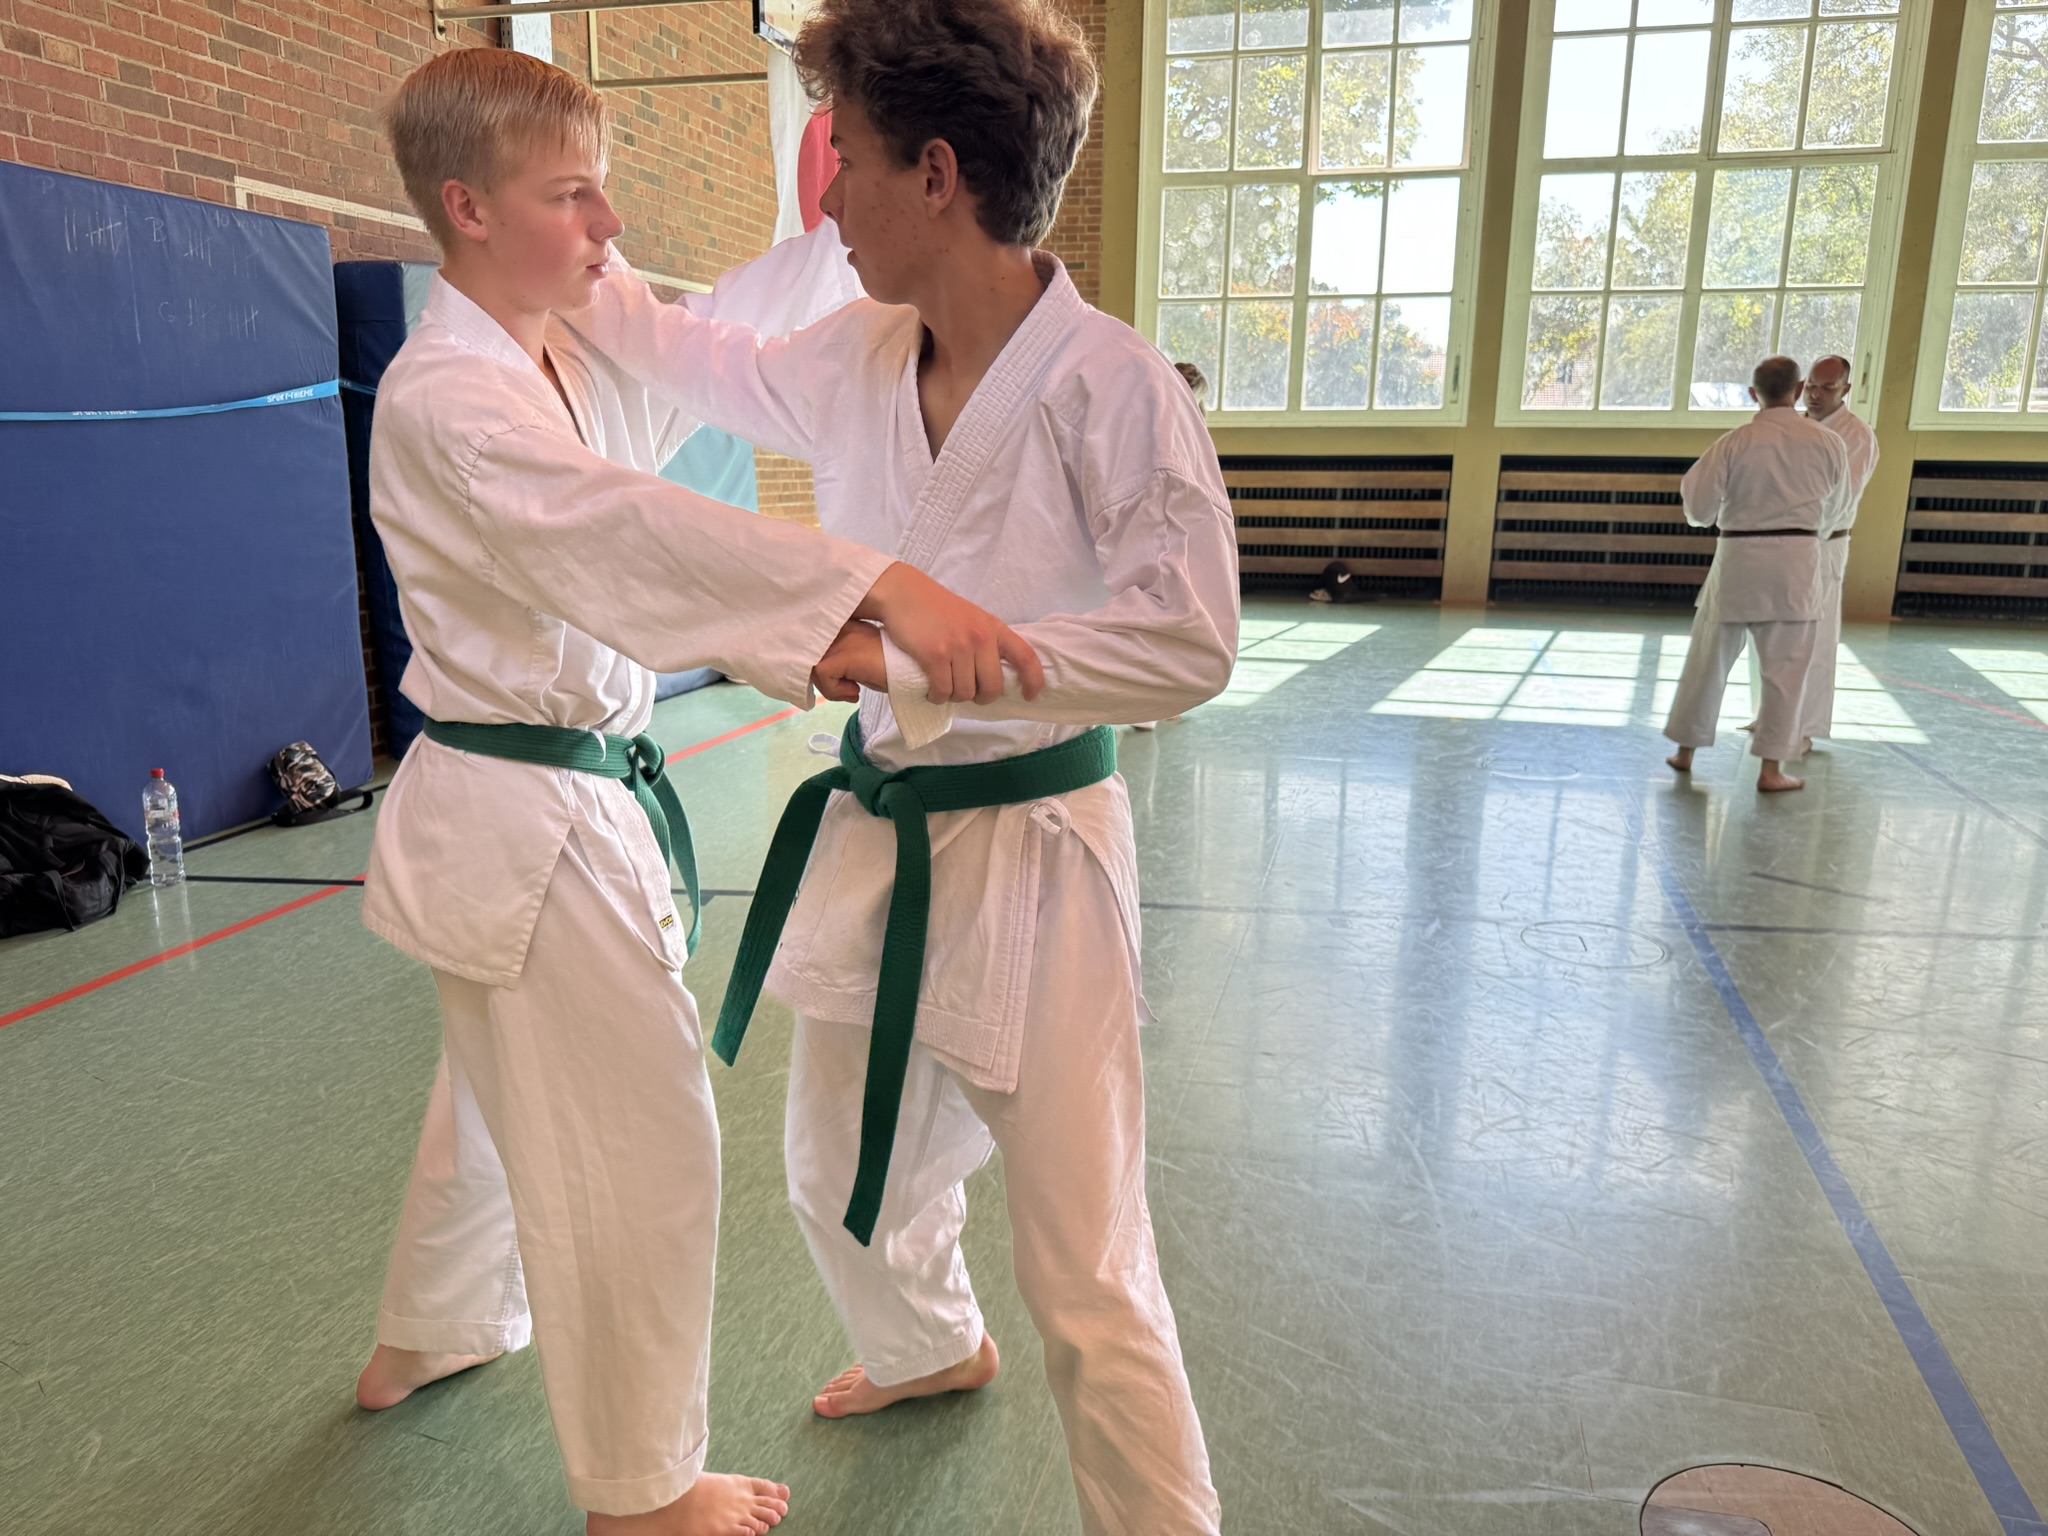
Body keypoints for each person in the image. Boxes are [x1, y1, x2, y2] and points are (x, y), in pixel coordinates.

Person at [351, 48, 1040, 1536]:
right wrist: (870, 590)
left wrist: (827, 236)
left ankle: (432, 1327)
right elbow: (624, 532)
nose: (608, 227)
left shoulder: (558, 352)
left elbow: (715, 337)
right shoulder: (453, 400)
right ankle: (641, 1488)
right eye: (573, 197)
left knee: (490, 1095)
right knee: (638, 1148)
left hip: (522, 809)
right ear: (467, 209)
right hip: (529, 820)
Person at [573, 2, 1237, 1529]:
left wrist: (930, 657)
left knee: (1087, 1272)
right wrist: (584, 261)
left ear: (936, 176)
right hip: (887, 832)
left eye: (851, 164)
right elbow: (704, 358)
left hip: (1039, 847)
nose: (829, 205)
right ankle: (931, 1345)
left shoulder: (1111, 384)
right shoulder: (859, 352)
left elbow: (1190, 642)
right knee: (834, 1174)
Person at [1663, 356, 1851, 793]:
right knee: (1786, 672)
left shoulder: (1734, 442)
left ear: (1753, 394)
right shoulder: (1829, 443)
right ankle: (1771, 770)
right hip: (1797, 561)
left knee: (1708, 660)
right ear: (1799, 389)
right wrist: (1805, 530)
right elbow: (1839, 508)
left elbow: (1698, 507)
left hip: (1739, 558)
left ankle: (1686, 752)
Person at [1797, 354, 1879, 751]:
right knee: (1777, 633)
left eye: (1827, 388)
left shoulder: (1856, 435)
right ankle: (1771, 715)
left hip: (1825, 542)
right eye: (1811, 385)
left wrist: (1803, 531)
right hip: (1788, 542)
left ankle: (1806, 727)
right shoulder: (1797, 426)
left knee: (1816, 636)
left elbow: (1842, 498)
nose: (1815, 394)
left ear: (1845, 389)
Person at [1133, 359, 1212, 731]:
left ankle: (1155, 703)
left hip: (1157, 525)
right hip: (1157, 525)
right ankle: (1151, 705)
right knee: (1157, 606)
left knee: (1156, 606)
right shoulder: (1169, 423)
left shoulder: (1156, 417)